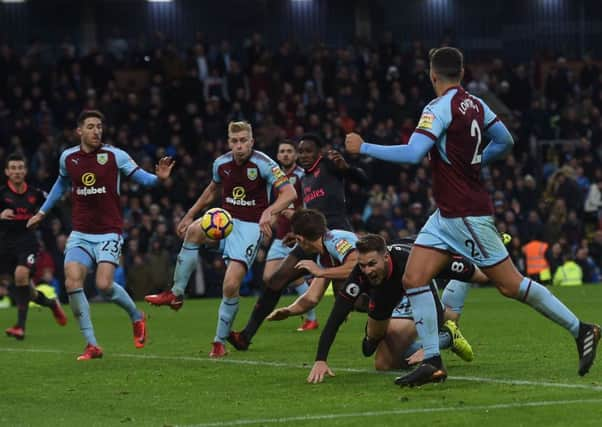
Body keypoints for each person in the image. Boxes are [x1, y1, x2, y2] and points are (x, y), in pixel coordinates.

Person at [345, 46, 600, 386]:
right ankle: (432, 361)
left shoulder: (438, 107)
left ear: (432, 75)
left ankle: (581, 328)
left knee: (510, 285)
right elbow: (506, 140)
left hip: (465, 213)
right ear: (462, 74)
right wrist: (475, 161)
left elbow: (413, 154)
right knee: (414, 278)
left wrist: (363, 148)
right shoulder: (477, 104)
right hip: (445, 214)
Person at [27, 109, 174, 360]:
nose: (97, 131)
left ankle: (136, 316)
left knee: (104, 286)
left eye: (99, 127)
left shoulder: (115, 156)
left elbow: (143, 179)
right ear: (79, 131)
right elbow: (61, 184)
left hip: (109, 232)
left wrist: (158, 179)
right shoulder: (68, 158)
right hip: (81, 233)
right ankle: (92, 344)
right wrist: (42, 212)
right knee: (73, 281)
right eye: (91, 126)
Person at [144, 121, 297, 358]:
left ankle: (219, 341)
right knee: (193, 231)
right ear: (229, 142)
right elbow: (211, 191)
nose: (239, 146)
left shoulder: (265, 164)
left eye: (243, 140)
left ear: (252, 142)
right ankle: (176, 293)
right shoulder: (221, 164)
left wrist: (270, 211)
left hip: (250, 227)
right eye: (235, 141)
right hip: (224, 220)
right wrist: (189, 215)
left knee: (230, 285)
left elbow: (290, 193)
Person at [267, 234, 483, 383]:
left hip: (414, 293)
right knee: (377, 357)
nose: (367, 270)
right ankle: (440, 340)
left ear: (386, 257)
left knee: (470, 275)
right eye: (362, 265)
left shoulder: (412, 262)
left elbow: (437, 301)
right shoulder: (360, 275)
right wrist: (320, 360)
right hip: (386, 296)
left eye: (372, 264)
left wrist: (429, 347)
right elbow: (336, 316)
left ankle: (445, 336)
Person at [227, 135, 368, 347]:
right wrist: (298, 231)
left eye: (308, 151)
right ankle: (245, 336)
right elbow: (312, 213)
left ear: (319, 152)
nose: (303, 156)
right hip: (311, 239)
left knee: (354, 298)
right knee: (275, 281)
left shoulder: (329, 164)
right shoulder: (305, 180)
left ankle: (392, 307)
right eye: (300, 152)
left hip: (336, 239)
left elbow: (363, 180)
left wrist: (347, 168)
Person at [228, 208, 358, 351]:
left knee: (347, 293)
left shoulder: (334, 240)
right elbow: (312, 298)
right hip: (375, 285)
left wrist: (320, 272)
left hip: (381, 282)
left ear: (300, 239)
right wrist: (289, 311)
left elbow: (354, 266)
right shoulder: (324, 254)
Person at [1, 153, 67, 340]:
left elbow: (56, 207)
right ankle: (51, 304)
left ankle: (20, 327)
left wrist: (59, 227)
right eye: (13, 168)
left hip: (27, 244)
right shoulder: (2, 194)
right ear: (7, 172)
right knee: (27, 291)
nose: (17, 172)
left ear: (25, 170)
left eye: (20, 168)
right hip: (5, 246)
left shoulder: (35, 194)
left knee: (21, 276)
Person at [264, 140, 318, 331]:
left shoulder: (302, 176)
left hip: (297, 235)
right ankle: (309, 307)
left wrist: (299, 219)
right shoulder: (274, 178)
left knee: (290, 275)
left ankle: (311, 317)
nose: (286, 154)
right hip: (280, 235)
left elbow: (311, 203)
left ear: (294, 155)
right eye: (282, 152)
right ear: (277, 156)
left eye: (289, 151)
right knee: (269, 277)